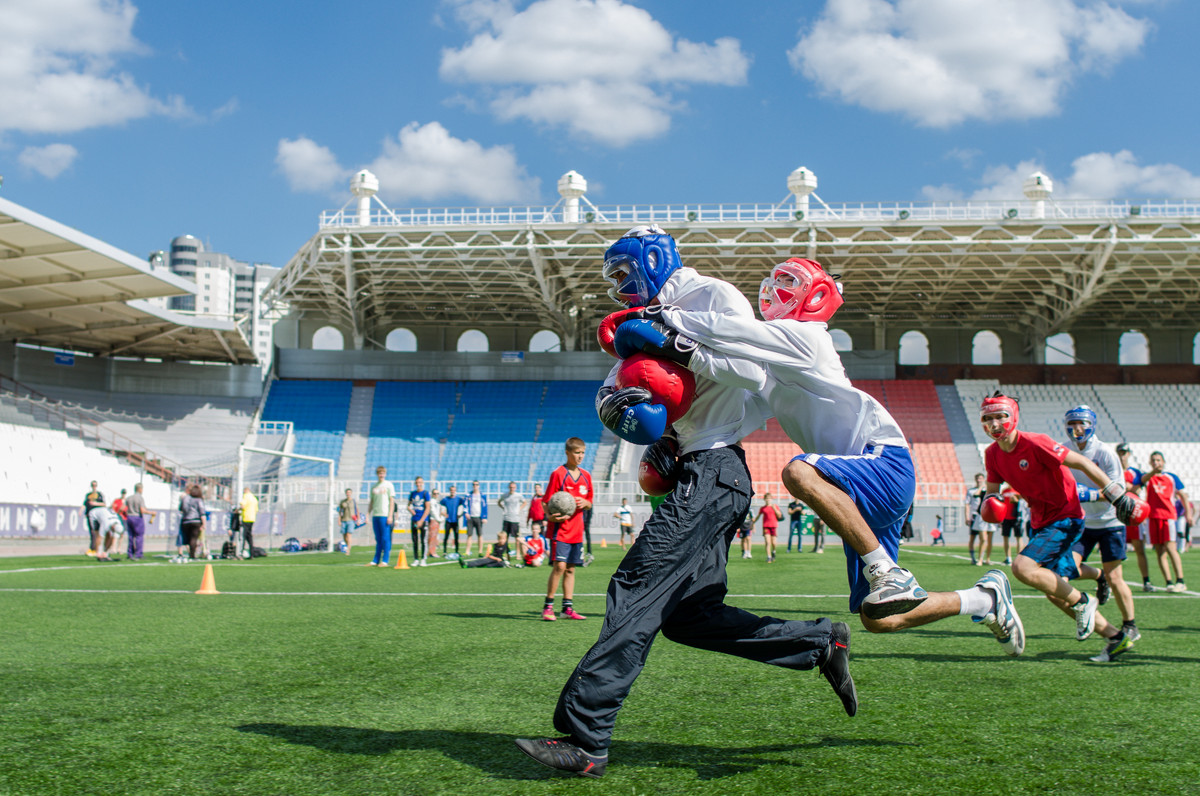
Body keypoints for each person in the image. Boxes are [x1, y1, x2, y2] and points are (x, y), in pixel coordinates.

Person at [517, 229, 857, 778]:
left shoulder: (713, 297)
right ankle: (819, 641)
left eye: (624, 272)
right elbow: (622, 390)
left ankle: (585, 740)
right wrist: (621, 407)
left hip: (717, 466)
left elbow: (755, 374)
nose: (620, 286)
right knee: (689, 617)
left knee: (636, 585)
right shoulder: (642, 316)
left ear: (653, 259)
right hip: (695, 472)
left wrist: (669, 341)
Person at [618, 257, 1017, 643]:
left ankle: (887, 570)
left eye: (789, 282)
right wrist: (677, 435)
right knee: (880, 618)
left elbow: (730, 332)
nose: (775, 289)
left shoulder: (807, 337)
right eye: (774, 281)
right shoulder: (777, 361)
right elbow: (735, 393)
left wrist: (659, 321)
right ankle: (982, 598)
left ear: (816, 295)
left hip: (882, 460)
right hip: (856, 487)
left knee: (798, 472)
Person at [980, 392, 1142, 660]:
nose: (994, 423)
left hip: (1065, 515)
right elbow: (992, 489)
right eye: (988, 418)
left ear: (1014, 417)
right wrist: (989, 502)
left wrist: (1115, 493)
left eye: (1000, 416)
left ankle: (1084, 601)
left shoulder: (1035, 443)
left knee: (1023, 567)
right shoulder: (992, 454)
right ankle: (1116, 637)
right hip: (1041, 519)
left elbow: (1081, 462)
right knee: (1054, 591)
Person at [1062, 406, 1139, 655]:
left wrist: (1088, 494)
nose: (1077, 428)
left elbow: (1119, 489)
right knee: (1067, 571)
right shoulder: (1064, 449)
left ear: (1092, 424)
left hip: (1110, 523)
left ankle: (1130, 625)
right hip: (1083, 522)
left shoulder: (1104, 452)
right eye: (1072, 424)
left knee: (1117, 578)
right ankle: (1098, 576)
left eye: (1081, 423)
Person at [540, 437, 593, 622]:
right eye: (576, 453)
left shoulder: (586, 476)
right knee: (559, 566)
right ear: (567, 453)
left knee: (571, 569)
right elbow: (546, 501)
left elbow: (590, 501)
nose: (580, 456)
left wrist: (586, 502)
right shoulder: (558, 474)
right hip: (560, 529)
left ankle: (567, 608)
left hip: (577, 530)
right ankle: (548, 607)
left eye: (582, 453)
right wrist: (550, 516)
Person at [1136, 451, 1192, 592]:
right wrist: (1152, 472)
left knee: (1171, 548)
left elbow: (1183, 496)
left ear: (1164, 462)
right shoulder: (1148, 478)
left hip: (1168, 517)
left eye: (1159, 460)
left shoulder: (1171, 477)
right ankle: (1168, 582)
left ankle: (1180, 580)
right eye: (1153, 460)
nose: (1156, 463)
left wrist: (1188, 514)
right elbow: (1141, 481)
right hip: (1153, 518)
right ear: (1150, 463)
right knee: (1159, 551)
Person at [1116, 444, 1155, 591]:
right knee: (1116, 550)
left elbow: (1138, 488)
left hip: (1132, 514)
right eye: (1120, 452)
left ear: (1129, 454)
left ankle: (1146, 581)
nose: (1122, 455)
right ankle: (1112, 581)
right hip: (1116, 514)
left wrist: (1128, 487)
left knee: (1139, 548)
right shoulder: (1113, 469)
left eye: (1125, 452)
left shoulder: (1134, 472)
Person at [965, 474, 997, 566]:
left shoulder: (988, 490)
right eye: (978, 478)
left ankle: (987, 559)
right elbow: (976, 495)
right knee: (982, 538)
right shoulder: (974, 491)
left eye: (981, 479)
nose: (979, 480)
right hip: (978, 516)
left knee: (989, 539)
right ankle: (978, 559)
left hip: (990, 516)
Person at [368, 466, 395, 567]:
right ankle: (375, 560)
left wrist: (390, 515)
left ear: (385, 474)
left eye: (383, 473)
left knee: (385, 538)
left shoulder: (389, 485)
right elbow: (372, 501)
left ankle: (385, 561)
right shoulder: (374, 487)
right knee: (378, 539)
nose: (381, 475)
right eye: (379, 473)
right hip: (376, 515)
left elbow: (392, 501)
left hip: (385, 515)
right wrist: (367, 514)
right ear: (377, 474)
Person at [497, 481, 527, 563]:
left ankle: (517, 554)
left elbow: (525, 502)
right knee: (505, 537)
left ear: (515, 488)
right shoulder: (505, 495)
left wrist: (519, 509)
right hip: (507, 518)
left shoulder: (518, 496)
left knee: (517, 538)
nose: (512, 489)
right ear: (508, 487)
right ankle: (507, 554)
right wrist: (503, 508)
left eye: (513, 487)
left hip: (515, 519)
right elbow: (499, 502)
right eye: (511, 487)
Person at [123, 483, 154, 560]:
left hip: (129, 517)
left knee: (131, 536)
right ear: (140, 489)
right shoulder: (140, 498)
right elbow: (142, 510)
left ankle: (130, 553)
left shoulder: (129, 498)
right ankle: (138, 553)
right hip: (137, 517)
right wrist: (151, 513)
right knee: (139, 536)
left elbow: (122, 508)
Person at [407, 476, 432, 566]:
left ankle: (423, 559)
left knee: (423, 540)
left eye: (420, 482)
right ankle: (416, 559)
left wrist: (421, 520)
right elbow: (408, 506)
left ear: (423, 483)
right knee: (414, 540)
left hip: (423, 520)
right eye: (417, 482)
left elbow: (428, 508)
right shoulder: (412, 493)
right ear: (415, 483)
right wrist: (410, 510)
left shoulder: (425, 493)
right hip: (414, 520)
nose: (418, 484)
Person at [998, 486, 1024, 566]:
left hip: (1017, 517)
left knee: (1019, 538)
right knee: (1006, 538)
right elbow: (1001, 504)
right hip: (1006, 517)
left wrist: (1016, 500)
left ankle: (1018, 558)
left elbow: (1023, 502)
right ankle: (1008, 558)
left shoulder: (1019, 489)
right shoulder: (1004, 491)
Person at [179, 484, 206, 560]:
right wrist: (204, 523)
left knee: (188, 538)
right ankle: (192, 555)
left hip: (185, 521)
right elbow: (202, 512)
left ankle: (189, 553)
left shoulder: (185, 498)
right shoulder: (198, 500)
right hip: (195, 521)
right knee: (193, 538)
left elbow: (181, 509)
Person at [82, 480, 108, 559]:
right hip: (90, 516)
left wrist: (95, 504)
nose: (94, 486)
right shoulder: (88, 495)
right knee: (93, 533)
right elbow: (84, 504)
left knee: (98, 533)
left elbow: (104, 504)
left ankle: (97, 549)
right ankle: (94, 549)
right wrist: (81, 511)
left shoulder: (99, 494)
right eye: (93, 485)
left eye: (95, 485)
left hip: (98, 516)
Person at [440, 484, 465, 557]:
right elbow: (439, 504)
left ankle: (457, 551)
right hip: (448, 520)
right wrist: (443, 513)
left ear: (455, 491)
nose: (452, 491)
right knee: (446, 536)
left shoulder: (458, 499)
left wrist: (460, 514)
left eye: (454, 490)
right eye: (451, 490)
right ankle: (445, 551)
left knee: (456, 536)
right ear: (450, 491)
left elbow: (465, 504)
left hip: (455, 521)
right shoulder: (446, 499)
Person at [464, 481, 488, 557]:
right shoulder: (468, 495)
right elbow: (465, 505)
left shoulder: (482, 496)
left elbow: (485, 507)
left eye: (476, 484)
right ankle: (467, 551)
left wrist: (485, 517)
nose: (475, 486)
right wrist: (466, 512)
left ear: (479, 486)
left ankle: (480, 551)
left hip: (479, 517)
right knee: (469, 535)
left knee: (480, 535)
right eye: (474, 484)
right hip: (471, 517)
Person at [758, 492, 782, 563]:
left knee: (773, 543)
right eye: (766, 498)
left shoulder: (775, 506)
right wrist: (753, 522)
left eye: (769, 498)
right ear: (764, 499)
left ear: (771, 499)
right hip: (766, 526)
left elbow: (779, 515)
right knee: (767, 542)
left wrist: (774, 508)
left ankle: (773, 551)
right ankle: (769, 557)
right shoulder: (763, 508)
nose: (768, 500)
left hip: (773, 526)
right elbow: (758, 516)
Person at [239, 487, 259, 558]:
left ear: (245, 491)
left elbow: (242, 506)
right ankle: (252, 553)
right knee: (249, 536)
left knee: (243, 536)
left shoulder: (246, 496)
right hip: (252, 518)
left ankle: (241, 553)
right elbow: (256, 509)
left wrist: (238, 509)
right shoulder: (254, 498)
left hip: (246, 518)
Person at [338, 488, 359, 555]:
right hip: (344, 520)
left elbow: (357, 510)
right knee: (344, 536)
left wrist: (358, 520)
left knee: (348, 534)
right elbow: (340, 511)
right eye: (347, 492)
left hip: (351, 520)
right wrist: (339, 520)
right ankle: (348, 546)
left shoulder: (354, 501)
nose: (348, 494)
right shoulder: (343, 502)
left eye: (349, 492)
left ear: (351, 493)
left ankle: (348, 550)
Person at [427, 488, 444, 560]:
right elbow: (433, 511)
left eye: (437, 493)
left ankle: (430, 551)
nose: (436, 495)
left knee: (434, 536)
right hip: (433, 520)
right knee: (433, 537)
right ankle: (432, 552)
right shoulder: (432, 501)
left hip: (436, 520)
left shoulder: (437, 502)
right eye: (434, 493)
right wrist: (439, 519)